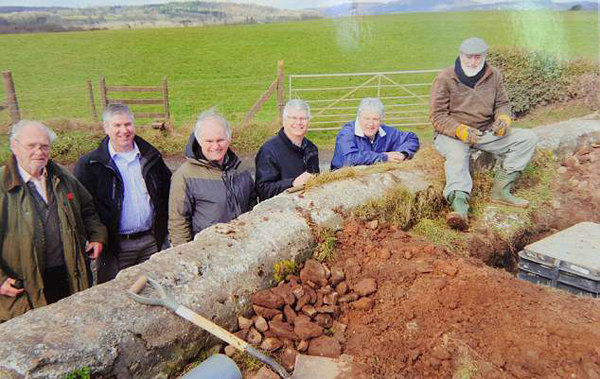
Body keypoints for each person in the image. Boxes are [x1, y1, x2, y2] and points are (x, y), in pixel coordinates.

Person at [0, 120, 107, 321]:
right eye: (31, 146)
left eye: (44, 146)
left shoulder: (61, 175)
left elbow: (87, 209)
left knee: (71, 326)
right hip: (24, 284)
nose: (39, 152)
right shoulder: (2, 184)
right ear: (14, 146)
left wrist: (97, 235)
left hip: (67, 274)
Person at [430, 37, 539, 230]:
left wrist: (503, 119)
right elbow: (437, 116)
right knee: (457, 156)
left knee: (528, 138)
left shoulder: (494, 75)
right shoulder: (445, 78)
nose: (472, 62)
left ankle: (501, 191)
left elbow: (503, 104)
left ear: (485, 56)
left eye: (477, 57)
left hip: (484, 131)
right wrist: (459, 130)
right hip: (452, 134)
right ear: (460, 55)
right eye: (468, 57)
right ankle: (459, 206)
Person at [75, 104, 171, 282]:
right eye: (117, 126)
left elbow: (167, 192)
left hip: (151, 242)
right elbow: (84, 208)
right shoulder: (90, 165)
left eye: (128, 124)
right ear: (106, 128)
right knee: (116, 298)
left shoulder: (151, 156)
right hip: (115, 248)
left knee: (155, 288)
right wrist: (96, 237)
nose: (124, 130)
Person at [169, 109, 256, 246]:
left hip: (241, 247)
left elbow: (251, 205)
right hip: (207, 251)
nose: (215, 146)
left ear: (229, 139)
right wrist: (186, 256)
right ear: (199, 140)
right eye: (209, 141)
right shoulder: (184, 176)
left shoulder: (242, 169)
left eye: (220, 140)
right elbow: (178, 222)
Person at [255, 99, 320, 201]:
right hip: (280, 212)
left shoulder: (311, 149)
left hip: (306, 209)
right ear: (284, 120)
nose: (298, 122)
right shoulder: (269, 150)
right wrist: (292, 183)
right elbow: (263, 190)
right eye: (293, 118)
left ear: (308, 121)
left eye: (303, 118)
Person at [330, 98, 420, 170]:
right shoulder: (346, 133)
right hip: (344, 180)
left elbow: (411, 138)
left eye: (375, 119)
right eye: (366, 118)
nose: (371, 124)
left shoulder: (385, 132)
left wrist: (402, 154)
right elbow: (349, 159)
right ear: (359, 117)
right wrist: (384, 157)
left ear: (381, 120)